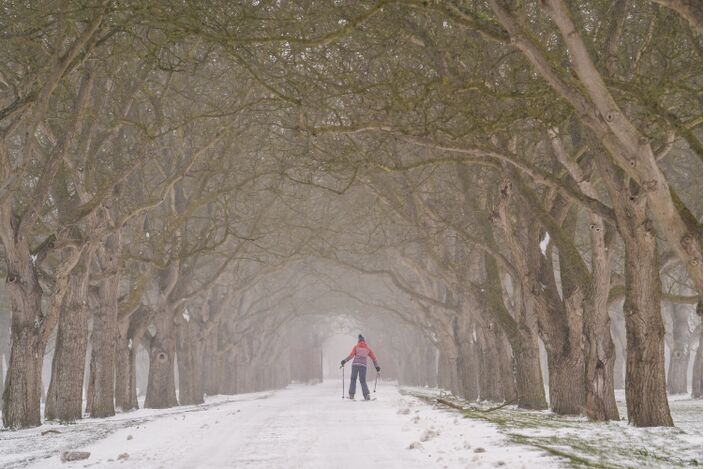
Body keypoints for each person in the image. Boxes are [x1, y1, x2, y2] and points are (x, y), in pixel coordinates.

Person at [340, 334, 380, 400]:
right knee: (363, 380)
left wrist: (344, 361)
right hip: (363, 366)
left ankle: (351, 395)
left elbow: (351, 356)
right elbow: (374, 358)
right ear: (364, 342)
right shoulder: (368, 349)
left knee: (353, 379)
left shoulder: (356, 347)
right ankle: (366, 395)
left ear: (358, 341)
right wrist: (377, 367)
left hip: (355, 365)